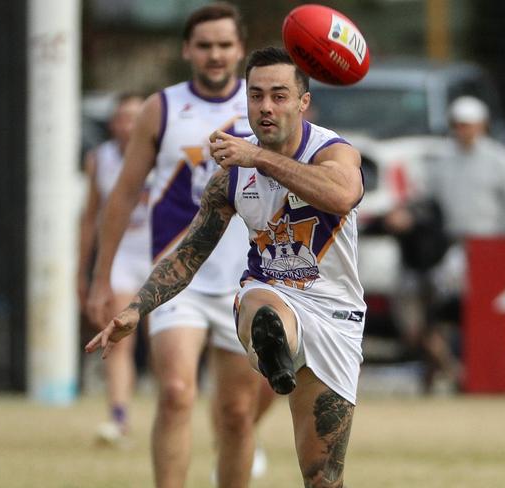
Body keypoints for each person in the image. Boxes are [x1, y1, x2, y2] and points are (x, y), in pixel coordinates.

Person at [87, 46, 367, 488]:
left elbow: (341, 196)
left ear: (303, 102)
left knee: (322, 477)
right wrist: (136, 309)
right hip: (271, 290)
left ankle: (282, 351)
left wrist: (259, 157)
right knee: (263, 303)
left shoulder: (332, 151)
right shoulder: (231, 175)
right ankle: (277, 348)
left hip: (336, 313)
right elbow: (189, 253)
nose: (266, 107)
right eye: (255, 96)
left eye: (278, 95)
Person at [85, 3, 272, 486]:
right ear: (187, 49)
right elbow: (124, 193)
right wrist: (101, 277)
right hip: (177, 278)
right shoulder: (161, 108)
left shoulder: (260, 109)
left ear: (240, 49)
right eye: (205, 45)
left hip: (246, 279)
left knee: (235, 412)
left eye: (225, 45)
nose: (215, 54)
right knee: (175, 392)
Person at [384, 95, 505, 392]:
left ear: (481, 125)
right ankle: (444, 367)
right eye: (457, 125)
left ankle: (473, 371)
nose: (461, 130)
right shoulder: (442, 160)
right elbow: (424, 199)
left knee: (482, 312)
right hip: (450, 247)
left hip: (490, 245)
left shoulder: (500, 159)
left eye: (467, 125)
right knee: (432, 305)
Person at [77, 93, 147, 444]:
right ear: (113, 124)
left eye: (137, 117)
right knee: (118, 335)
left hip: (161, 252)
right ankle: (119, 417)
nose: (129, 125)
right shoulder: (99, 159)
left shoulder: (165, 154)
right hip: (120, 254)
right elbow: (90, 218)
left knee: (169, 344)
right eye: (123, 118)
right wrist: (84, 273)